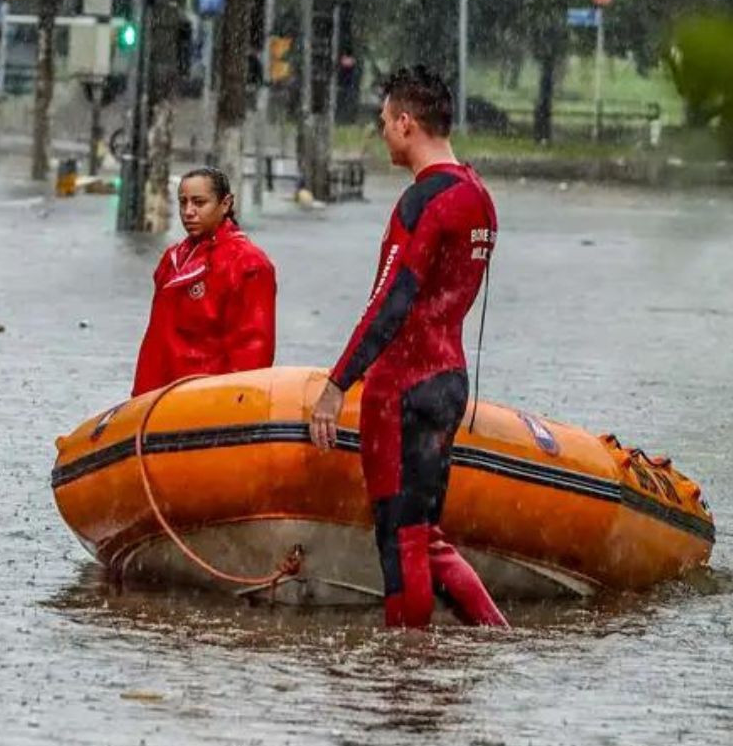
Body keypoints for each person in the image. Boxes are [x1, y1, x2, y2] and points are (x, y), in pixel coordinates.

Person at [308, 66, 508, 630]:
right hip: (449, 381)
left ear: (405, 122)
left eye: (384, 124)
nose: (382, 135)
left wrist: (337, 382)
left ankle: (405, 672)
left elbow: (389, 302)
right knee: (424, 532)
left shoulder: (423, 201)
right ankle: (496, 638)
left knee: (399, 541)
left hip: (402, 388)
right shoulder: (479, 196)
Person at [132, 166, 277, 397]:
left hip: (206, 403)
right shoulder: (172, 260)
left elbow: (252, 352)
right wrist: (140, 398)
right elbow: (156, 342)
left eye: (199, 203)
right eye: (183, 203)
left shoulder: (248, 264)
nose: (188, 212)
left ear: (225, 204)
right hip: (158, 400)